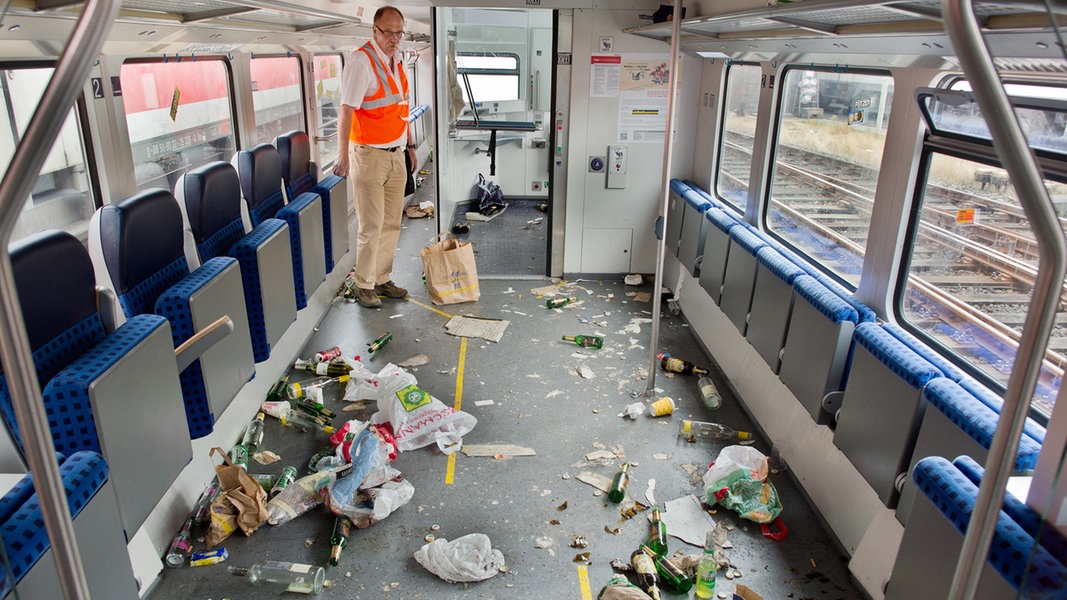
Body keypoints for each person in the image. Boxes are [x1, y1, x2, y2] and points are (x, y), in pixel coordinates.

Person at [334, 6, 416, 308]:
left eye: (399, 32)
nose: (394, 38)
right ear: (375, 31)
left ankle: (382, 279)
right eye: (388, 32)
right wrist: (342, 154)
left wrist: (409, 146)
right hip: (369, 156)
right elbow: (346, 110)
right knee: (371, 224)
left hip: (395, 154)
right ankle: (363, 285)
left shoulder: (399, 60)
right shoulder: (361, 61)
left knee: (393, 222)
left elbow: (401, 106)